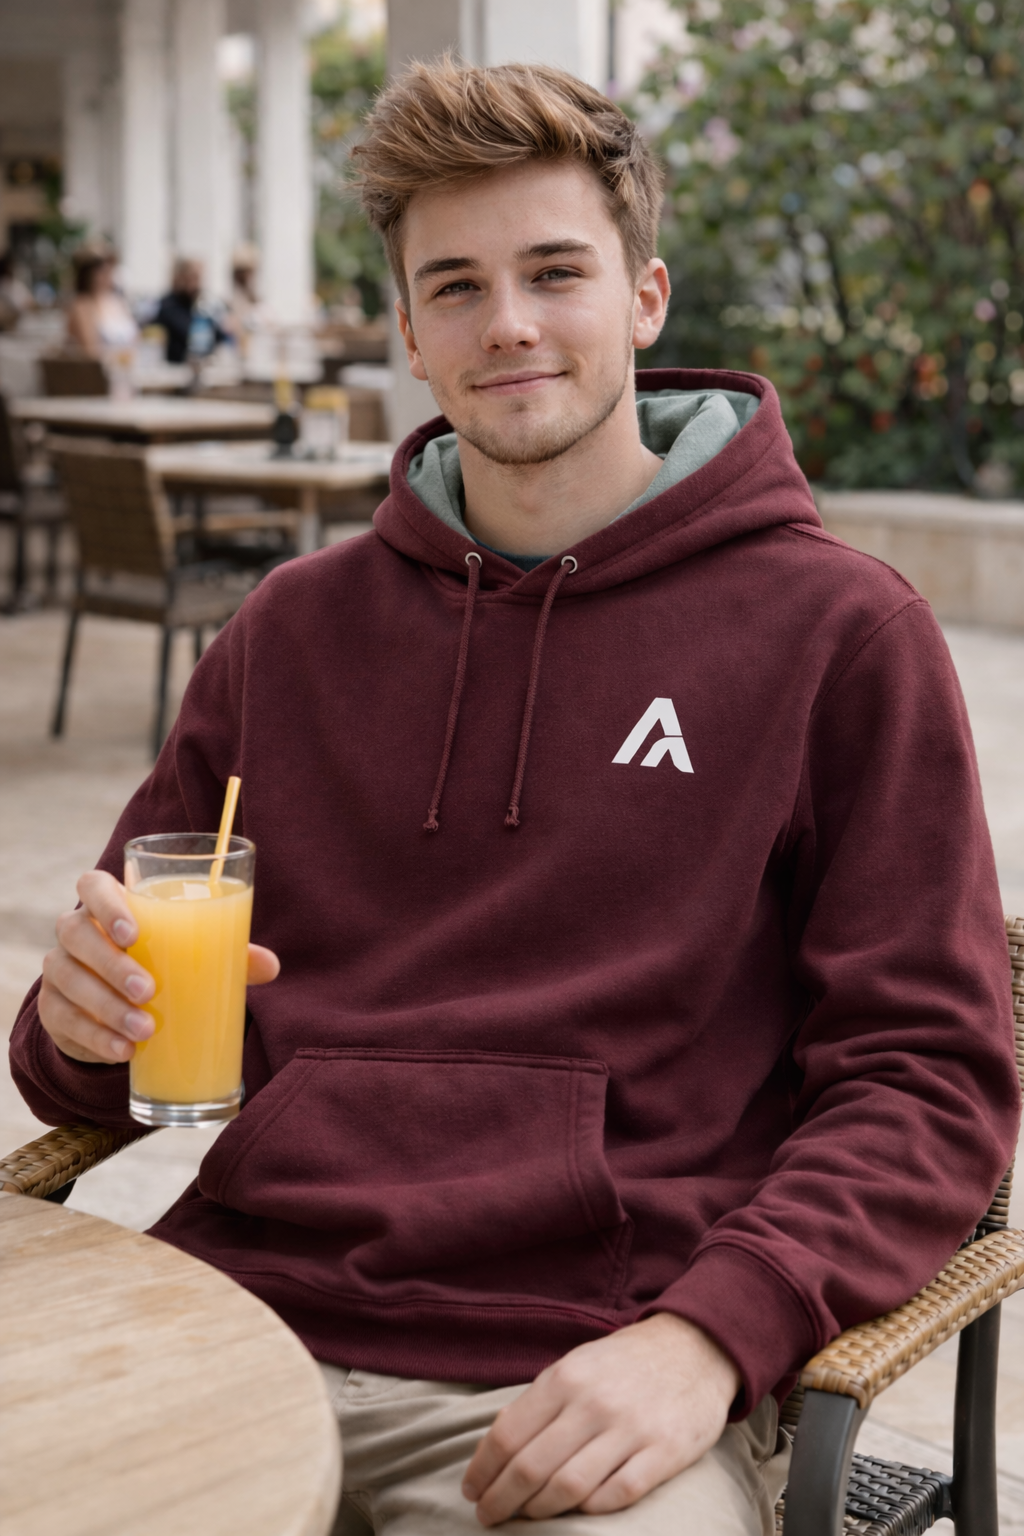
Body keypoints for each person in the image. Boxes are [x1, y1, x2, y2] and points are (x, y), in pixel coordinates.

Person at [10, 59, 1020, 1536]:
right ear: (409, 334)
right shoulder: (289, 635)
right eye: (457, 287)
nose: (511, 325)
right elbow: (94, 1062)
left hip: (591, 1370)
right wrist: (80, 1018)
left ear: (646, 297)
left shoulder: (838, 635)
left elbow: (930, 1079)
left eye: (555, 272)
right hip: (230, 1318)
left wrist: (711, 1336)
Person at [153, 257, 230, 364]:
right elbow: (189, 332)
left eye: (199, 278)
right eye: (192, 277)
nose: (196, 284)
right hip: (176, 367)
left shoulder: (202, 303)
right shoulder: (168, 304)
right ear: (181, 277)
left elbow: (218, 335)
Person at [65, 248, 137, 358]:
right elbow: (90, 351)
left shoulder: (118, 301)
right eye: (101, 269)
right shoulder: (82, 305)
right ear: (88, 273)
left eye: (109, 267)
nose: (107, 273)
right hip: (102, 367)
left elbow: (136, 340)